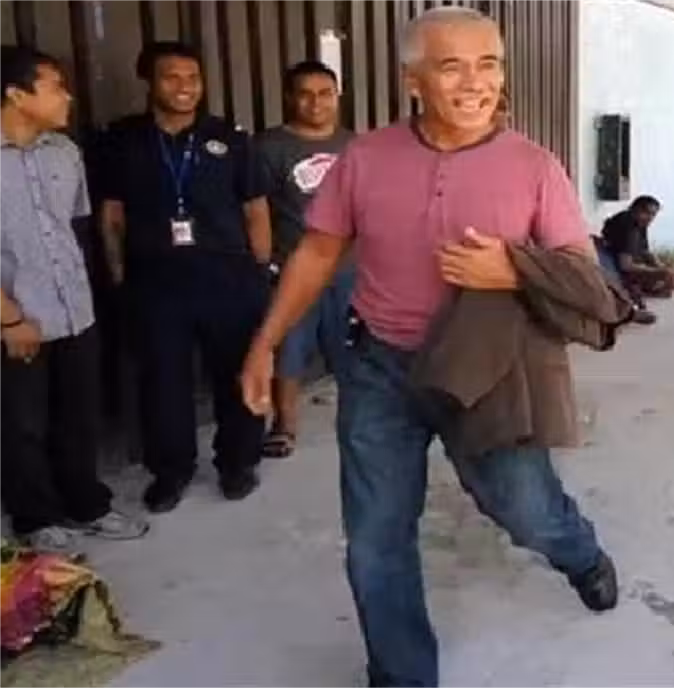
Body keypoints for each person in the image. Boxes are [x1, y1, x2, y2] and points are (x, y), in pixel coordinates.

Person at [239, 8, 618, 687]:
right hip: (378, 367)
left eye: (489, 65)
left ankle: (581, 555)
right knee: (375, 539)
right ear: (413, 80)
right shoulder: (366, 158)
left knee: (525, 511)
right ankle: (401, 676)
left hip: (489, 372)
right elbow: (318, 252)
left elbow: (586, 279)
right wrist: (265, 343)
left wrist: (513, 270)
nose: (476, 83)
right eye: (452, 67)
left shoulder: (534, 166)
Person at [99, 42, 272, 512]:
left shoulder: (229, 138)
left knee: (237, 376)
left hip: (228, 279)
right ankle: (171, 471)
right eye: (172, 77)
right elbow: (112, 215)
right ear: (149, 82)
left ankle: (238, 463)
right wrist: (120, 278)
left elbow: (256, 209)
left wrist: (261, 273)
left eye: (193, 78)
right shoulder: (123, 140)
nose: (185, 88)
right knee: (163, 383)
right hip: (156, 281)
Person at [0, 46, 148, 551]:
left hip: (74, 310)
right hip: (16, 318)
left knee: (79, 418)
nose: (68, 96)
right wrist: (9, 318)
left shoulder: (65, 152)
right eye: (55, 86)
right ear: (16, 95)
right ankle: (35, 519)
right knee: (22, 425)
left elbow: (74, 229)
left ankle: (87, 505)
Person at [256, 61, 356, 459]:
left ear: (337, 97)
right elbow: (256, 209)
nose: (316, 103)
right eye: (305, 94)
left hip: (349, 269)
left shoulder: (355, 146)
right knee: (288, 348)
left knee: (354, 350)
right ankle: (284, 425)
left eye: (325, 94)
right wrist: (265, 263)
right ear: (289, 98)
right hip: (293, 268)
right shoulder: (268, 147)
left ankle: (364, 418)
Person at [600, 196, 674, 324]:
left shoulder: (640, 224)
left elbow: (645, 251)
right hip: (611, 264)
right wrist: (660, 272)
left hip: (624, 262)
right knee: (633, 288)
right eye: (646, 213)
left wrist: (662, 267)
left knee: (663, 276)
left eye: (653, 215)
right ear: (634, 209)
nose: (650, 218)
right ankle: (631, 308)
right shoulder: (627, 226)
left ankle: (647, 291)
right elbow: (625, 265)